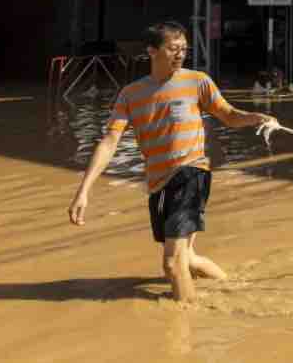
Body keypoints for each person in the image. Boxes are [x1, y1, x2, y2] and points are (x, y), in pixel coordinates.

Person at [68, 21, 279, 303]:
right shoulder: (131, 94)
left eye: (184, 49)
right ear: (152, 51)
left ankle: (184, 328)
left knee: (171, 264)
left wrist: (257, 117)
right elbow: (109, 142)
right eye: (173, 48)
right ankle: (236, 291)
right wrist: (84, 190)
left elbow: (228, 115)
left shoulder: (197, 81)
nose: (180, 54)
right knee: (187, 260)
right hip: (157, 183)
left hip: (192, 173)